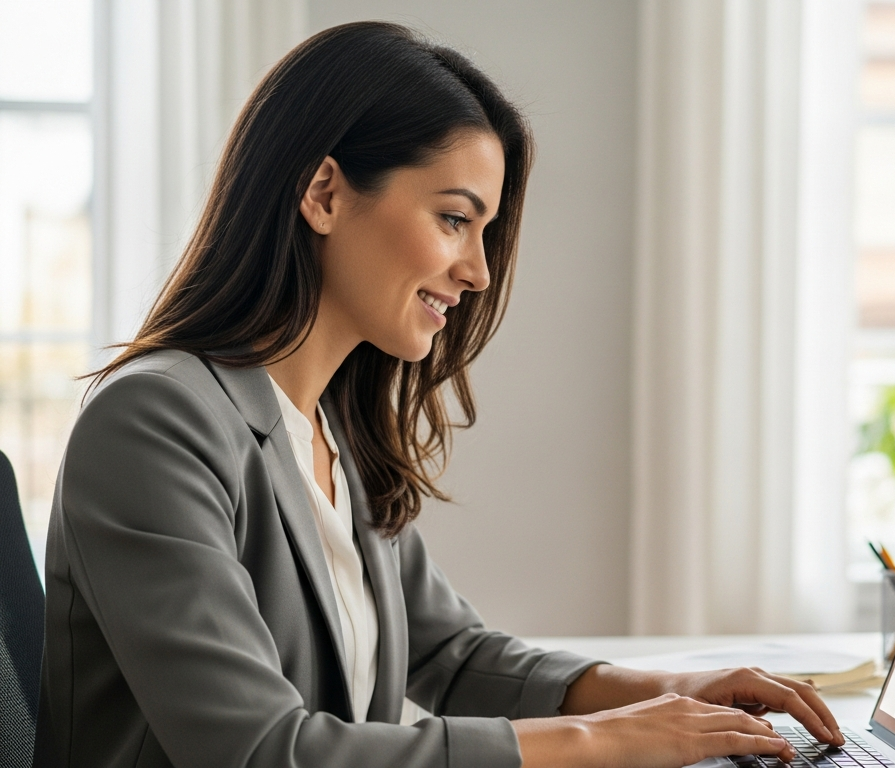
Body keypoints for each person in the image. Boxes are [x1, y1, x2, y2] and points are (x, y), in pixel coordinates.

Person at [34, 21, 841, 768]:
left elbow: (450, 656)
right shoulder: (155, 423)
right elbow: (259, 751)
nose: (479, 270)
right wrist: (605, 739)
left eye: (485, 230)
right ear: (324, 193)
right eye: (455, 218)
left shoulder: (333, 428)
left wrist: (673, 693)